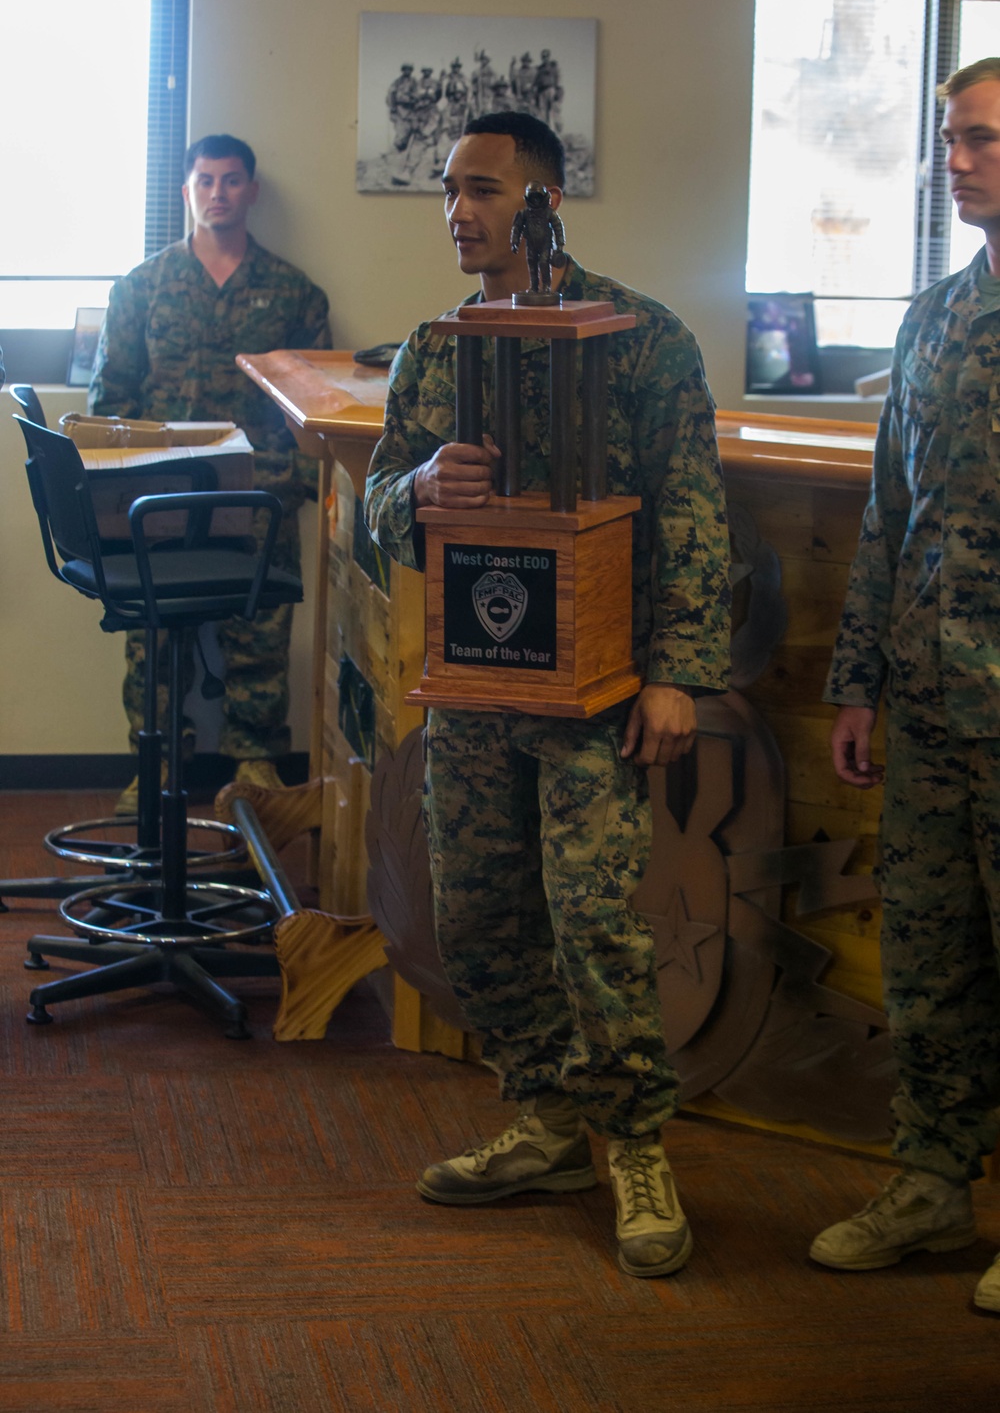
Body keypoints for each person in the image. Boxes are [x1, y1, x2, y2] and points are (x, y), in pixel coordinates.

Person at [364, 111, 730, 1277]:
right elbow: (378, 514)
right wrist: (421, 483)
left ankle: (634, 1146)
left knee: (595, 929)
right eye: (448, 190)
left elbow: (691, 518)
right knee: (476, 919)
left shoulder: (642, 340)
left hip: (598, 697)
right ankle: (550, 1119)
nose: (458, 213)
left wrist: (678, 674)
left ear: (541, 204)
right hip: (473, 692)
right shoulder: (437, 349)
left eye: (480, 190)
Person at [812, 57, 1000, 1315]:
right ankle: (933, 1184)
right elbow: (889, 510)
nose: (959, 158)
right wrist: (858, 680)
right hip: (933, 699)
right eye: (949, 139)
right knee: (930, 960)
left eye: (980, 138)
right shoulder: (933, 317)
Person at [90, 134, 331, 810]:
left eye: (230, 181)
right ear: (187, 190)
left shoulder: (294, 292)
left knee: (260, 631)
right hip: (157, 496)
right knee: (152, 637)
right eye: (205, 181)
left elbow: (311, 407)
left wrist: (287, 481)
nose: (217, 193)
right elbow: (112, 400)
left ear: (251, 191)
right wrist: (123, 486)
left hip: (257, 491)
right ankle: (156, 760)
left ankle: (257, 767)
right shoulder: (142, 288)